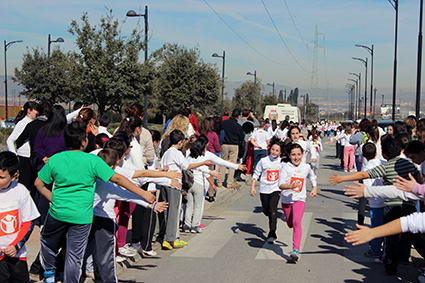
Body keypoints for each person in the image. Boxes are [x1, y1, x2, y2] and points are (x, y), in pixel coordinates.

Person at [34, 122, 156, 283]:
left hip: (58, 212)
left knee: (47, 241)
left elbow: (38, 184)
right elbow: (118, 178)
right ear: (84, 141)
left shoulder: (56, 159)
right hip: (82, 216)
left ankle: (49, 271)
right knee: (74, 256)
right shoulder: (92, 161)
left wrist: (53, 199)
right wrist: (144, 194)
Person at [159, 129, 212, 250]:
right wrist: (201, 163)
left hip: (165, 183)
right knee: (174, 212)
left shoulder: (166, 152)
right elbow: (187, 166)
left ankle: (167, 236)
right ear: (180, 142)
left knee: (167, 212)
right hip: (174, 184)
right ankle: (171, 238)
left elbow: (163, 166)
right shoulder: (176, 153)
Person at [0, 151, 40, 283]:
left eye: (1, 177)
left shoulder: (20, 190)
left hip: (17, 255)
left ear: (14, 176)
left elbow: (28, 223)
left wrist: (16, 246)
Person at [278, 143, 317, 262]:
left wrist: (314, 187)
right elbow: (280, 185)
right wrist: (290, 186)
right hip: (286, 200)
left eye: (299, 154)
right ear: (289, 155)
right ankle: (291, 226)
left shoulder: (306, 167)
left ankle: (295, 250)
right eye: (293, 155)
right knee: (290, 223)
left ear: (303, 154)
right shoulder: (286, 167)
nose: (296, 157)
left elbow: (312, 176)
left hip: (299, 199)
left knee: (296, 222)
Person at [250, 137, 284, 244]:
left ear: (280, 152)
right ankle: (270, 215)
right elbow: (256, 173)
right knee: (266, 211)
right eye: (273, 149)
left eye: (277, 150)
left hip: (275, 189)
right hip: (264, 189)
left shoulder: (282, 162)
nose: (274, 152)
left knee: (273, 210)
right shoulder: (263, 161)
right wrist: (252, 187)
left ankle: (272, 233)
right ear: (269, 149)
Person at [6, 101, 38, 191]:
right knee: (24, 184)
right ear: (29, 110)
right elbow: (10, 140)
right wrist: (15, 155)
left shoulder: (32, 122)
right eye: (35, 110)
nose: (37, 112)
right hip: (24, 157)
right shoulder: (23, 123)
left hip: (30, 156)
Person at [361, 142, 384, 258]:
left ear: (363, 155)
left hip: (375, 202)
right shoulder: (381, 163)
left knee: (376, 226)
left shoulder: (366, 169)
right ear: (376, 152)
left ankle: (375, 249)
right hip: (385, 198)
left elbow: (367, 187)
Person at [217, 109, 244, 189]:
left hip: (224, 144)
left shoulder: (224, 123)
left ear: (231, 113)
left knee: (222, 163)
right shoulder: (238, 126)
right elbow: (241, 137)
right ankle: (229, 183)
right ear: (238, 116)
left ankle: (219, 181)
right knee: (232, 164)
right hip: (234, 145)